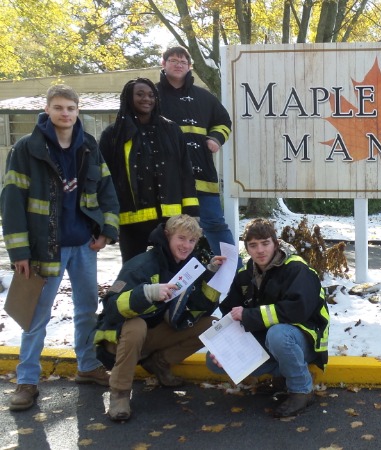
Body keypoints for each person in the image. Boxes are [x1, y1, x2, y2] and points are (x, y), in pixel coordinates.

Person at [1, 85, 120, 412]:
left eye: (70, 107)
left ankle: (87, 366)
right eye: (58, 107)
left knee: (86, 309)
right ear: (48, 109)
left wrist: (107, 231)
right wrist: (19, 252)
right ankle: (27, 381)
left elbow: (107, 190)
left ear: (77, 110)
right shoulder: (27, 148)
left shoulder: (89, 146)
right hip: (43, 249)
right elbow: (11, 202)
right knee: (35, 316)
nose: (65, 113)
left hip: (83, 245)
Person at [94, 215, 226, 421]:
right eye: (181, 238)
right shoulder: (140, 265)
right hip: (119, 339)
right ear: (167, 236)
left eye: (192, 241)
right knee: (136, 325)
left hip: (153, 334)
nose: (186, 246)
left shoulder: (188, 265)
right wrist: (147, 293)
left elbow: (199, 309)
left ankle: (160, 364)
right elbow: (110, 308)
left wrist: (211, 275)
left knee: (210, 325)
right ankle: (119, 394)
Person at [207, 218, 330, 418]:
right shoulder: (245, 274)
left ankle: (302, 390)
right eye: (253, 245)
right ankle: (282, 373)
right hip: (272, 341)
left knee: (278, 334)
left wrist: (249, 315)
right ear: (247, 248)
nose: (260, 250)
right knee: (213, 360)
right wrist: (223, 345)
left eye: (265, 243)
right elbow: (231, 311)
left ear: (276, 243)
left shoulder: (297, 269)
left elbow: (297, 310)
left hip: (305, 341)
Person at [100, 78, 199, 262]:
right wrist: (108, 220)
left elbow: (185, 172)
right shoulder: (113, 135)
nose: (147, 99)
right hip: (131, 222)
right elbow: (106, 181)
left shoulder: (171, 130)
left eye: (151, 95)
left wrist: (192, 213)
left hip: (170, 221)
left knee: (173, 270)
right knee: (133, 271)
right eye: (140, 94)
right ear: (128, 98)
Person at [156, 46, 237, 261]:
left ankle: (235, 274)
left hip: (203, 178)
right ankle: (172, 281)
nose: (178, 64)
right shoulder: (152, 94)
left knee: (215, 225)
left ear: (189, 66)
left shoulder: (204, 97)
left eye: (183, 61)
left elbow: (224, 121)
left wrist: (216, 138)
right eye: (173, 60)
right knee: (171, 231)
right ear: (163, 64)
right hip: (168, 179)